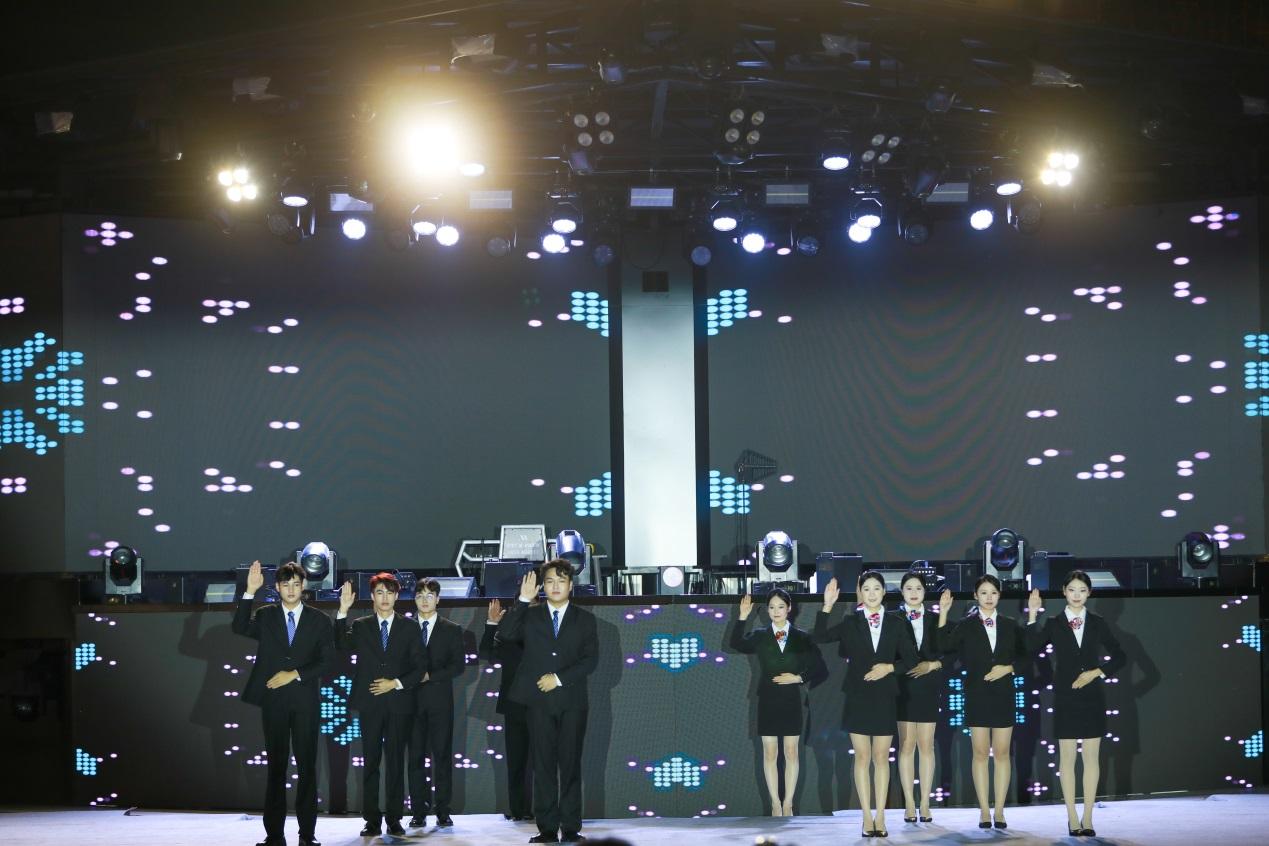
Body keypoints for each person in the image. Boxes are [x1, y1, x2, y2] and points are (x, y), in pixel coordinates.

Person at [232, 561, 334, 846]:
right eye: (285, 585)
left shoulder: (319, 620)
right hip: (274, 701)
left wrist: (295, 674)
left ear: (304, 587)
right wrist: (250, 591)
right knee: (276, 768)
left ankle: (307, 835)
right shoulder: (266, 615)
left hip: (305, 702)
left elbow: (327, 660)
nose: (291, 590)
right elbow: (239, 627)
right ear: (277, 587)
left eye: (296, 585)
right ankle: (274, 836)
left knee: (307, 768)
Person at [497, 562, 598, 844]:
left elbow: (590, 660)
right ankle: (547, 829)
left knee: (570, 765)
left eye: (561, 581)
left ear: (571, 586)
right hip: (538, 702)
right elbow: (505, 633)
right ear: (543, 586)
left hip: (571, 702)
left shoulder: (585, 619)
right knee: (542, 766)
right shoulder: (531, 615)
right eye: (550, 581)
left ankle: (571, 828)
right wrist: (523, 599)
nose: (555, 586)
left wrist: (559, 679)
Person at [814, 572, 918, 839]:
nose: (872, 593)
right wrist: (827, 606)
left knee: (881, 757)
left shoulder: (897, 622)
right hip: (858, 696)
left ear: (884, 592)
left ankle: (880, 816)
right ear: (861, 593)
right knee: (862, 757)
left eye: (876, 588)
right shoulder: (851, 622)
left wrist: (889, 668)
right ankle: (866, 817)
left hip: (885, 696)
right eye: (866, 589)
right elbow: (821, 636)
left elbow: (911, 660)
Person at [1026, 571, 1125, 837]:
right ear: (1064, 592)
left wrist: (1096, 672)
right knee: (1067, 758)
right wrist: (1033, 614)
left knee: (1091, 758)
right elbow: (1030, 646)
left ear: (1089, 593)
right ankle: (1072, 817)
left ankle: (1088, 818)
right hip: (1065, 696)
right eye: (1072, 589)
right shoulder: (1054, 623)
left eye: (1082, 590)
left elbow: (1119, 656)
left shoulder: (1098, 623)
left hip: (1092, 697)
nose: (1077, 595)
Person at [335, 572, 426, 838]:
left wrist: (395, 683)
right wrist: (342, 611)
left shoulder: (410, 627)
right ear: (372, 597)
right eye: (379, 593)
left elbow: (420, 667)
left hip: (399, 703)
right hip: (370, 703)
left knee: (396, 763)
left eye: (389, 592)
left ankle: (394, 818)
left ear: (397, 596)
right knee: (371, 761)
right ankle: (372, 820)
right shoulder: (361, 625)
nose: (384, 598)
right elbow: (341, 644)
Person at [937, 574, 1028, 830]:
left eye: (993, 593)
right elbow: (944, 645)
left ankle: (999, 810)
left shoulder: (1010, 624)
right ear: (976, 596)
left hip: (1004, 695)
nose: (989, 598)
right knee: (979, 753)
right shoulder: (966, 625)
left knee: (1002, 753)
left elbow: (1026, 657)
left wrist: (1008, 668)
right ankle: (984, 811)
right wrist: (943, 612)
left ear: (1000, 596)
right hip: (976, 695)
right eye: (984, 593)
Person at [729, 589, 815, 817]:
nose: (776, 611)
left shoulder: (801, 637)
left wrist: (798, 678)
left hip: (792, 699)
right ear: (767, 610)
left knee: (791, 752)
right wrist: (742, 616)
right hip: (767, 698)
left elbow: (817, 667)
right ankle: (775, 804)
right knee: (769, 752)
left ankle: (788, 804)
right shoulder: (760, 635)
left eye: (781, 607)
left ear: (789, 609)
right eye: (772, 607)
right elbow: (736, 643)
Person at [406, 578, 466, 829]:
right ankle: (418, 811)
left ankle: (443, 810)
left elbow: (458, 666)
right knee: (415, 758)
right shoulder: (404, 628)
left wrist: (430, 675)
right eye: (420, 596)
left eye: (430, 596)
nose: (425, 600)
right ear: (414, 599)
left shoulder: (451, 629)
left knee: (442, 757)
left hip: (440, 702)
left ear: (438, 599)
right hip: (410, 703)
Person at [895, 571, 946, 825]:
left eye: (918, 588)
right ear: (902, 592)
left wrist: (932, 665)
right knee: (906, 745)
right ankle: (909, 803)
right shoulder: (892, 619)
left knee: (927, 745)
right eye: (909, 588)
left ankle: (925, 802)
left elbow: (950, 652)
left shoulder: (937, 619)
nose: (914, 593)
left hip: (927, 688)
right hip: (902, 687)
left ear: (925, 592)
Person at [479, 598, 534, 822]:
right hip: (514, 706)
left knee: (543, 761)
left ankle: (542, 808)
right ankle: (518, 809)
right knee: (516, 761)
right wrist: (492, 624)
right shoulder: (509, 636)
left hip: (543, 705)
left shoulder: (547, 634)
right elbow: (486, 654)